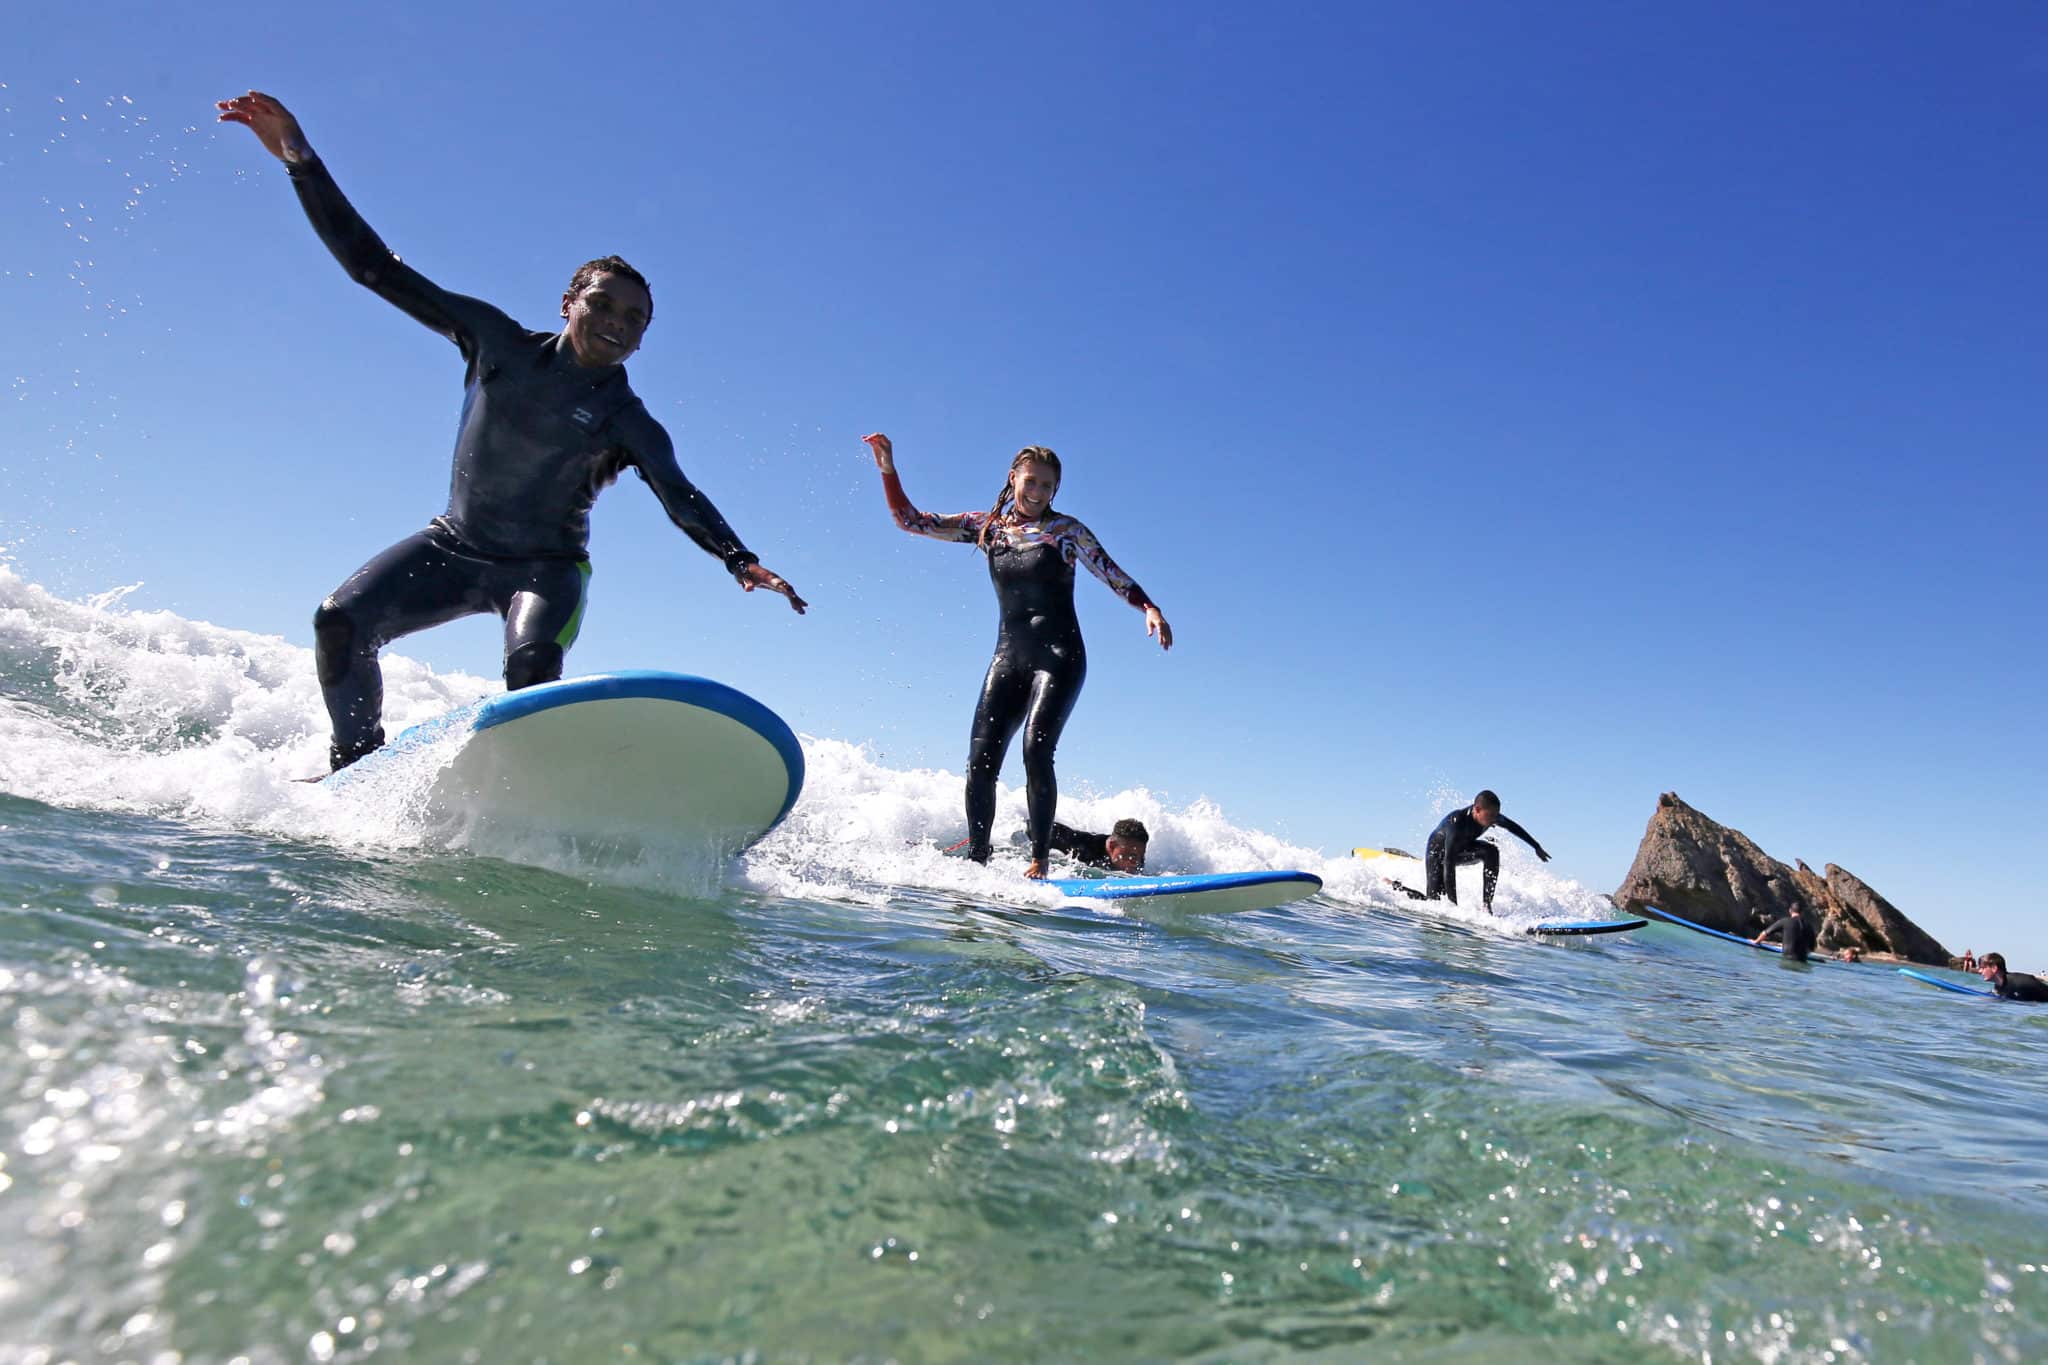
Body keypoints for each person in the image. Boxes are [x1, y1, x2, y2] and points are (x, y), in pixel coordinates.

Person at [217, 92, 806, 771]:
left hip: (546, 570)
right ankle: (355, 769)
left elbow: (680, 494)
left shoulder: (629, 420)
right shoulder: (496, 342)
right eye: (603, 303)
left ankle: (528, 791)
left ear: (644, 338)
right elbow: (374, 268)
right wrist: (300, 160)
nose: (618, 320)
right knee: (339, 621)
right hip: (454, 545)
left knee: (530, 672)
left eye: (636, 317)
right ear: (568, 303)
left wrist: (738, 558)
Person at [864, 433, 1170, 879]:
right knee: (980, 762)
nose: (1038, 493)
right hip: (1009, 658)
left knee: (1035, 751)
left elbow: (1110, 572)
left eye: (1047, 487)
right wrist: (888, 468)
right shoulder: (987, 528)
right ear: (1014, 479)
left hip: (1060, 657)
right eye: (1031, 482)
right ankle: (979, 859)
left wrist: (1149, 607)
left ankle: (1039, 861)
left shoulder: (1066, 532)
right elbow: (910, 521)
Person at [1392, 790, 1549, 912]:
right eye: (1491, 816)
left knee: (1491, 851)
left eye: (1496, 815)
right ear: (1477, 809)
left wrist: (1536, 846)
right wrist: (1453, 906)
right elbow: (1449, 863)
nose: (1495, 820)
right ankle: (1396, 887)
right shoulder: (1457, 823)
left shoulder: (1492, 816)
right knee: (1434, 903)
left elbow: (1513, 827)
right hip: (1438, 854)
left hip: (1463, 848)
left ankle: (1486, 906)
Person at [1048, 818, 1150, 874]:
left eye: (1140, 856)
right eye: (1131, 856)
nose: (1135, 863)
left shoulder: (1137, 856)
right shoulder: (1084, 847)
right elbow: (1044, 829)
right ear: (1112, 846)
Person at [1752, 906, 1818, 962]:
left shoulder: (1785, 921)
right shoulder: (1809, 926)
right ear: (1802, 913)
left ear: (1790, 910)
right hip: (1802, 960)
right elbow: (1812, 947)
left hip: (1787, 959)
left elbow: (1765, 933)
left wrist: (1756, 942)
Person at [1976, 953, 2048, 1003]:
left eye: (1983, 968)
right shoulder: (1998, 987)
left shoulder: (2021, 982)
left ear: (1994, 968)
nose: (1979, 971)